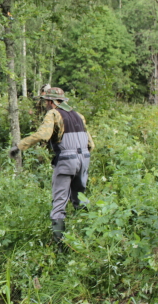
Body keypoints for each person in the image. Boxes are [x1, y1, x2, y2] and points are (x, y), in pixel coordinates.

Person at [9, 87, 94, 248]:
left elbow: (43, 135)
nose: (45, 104)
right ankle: (87, 239)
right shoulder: (79, 116)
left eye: (46, 101)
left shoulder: (53, 114)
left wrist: (19, 146)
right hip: (84, 159)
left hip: (66, 160)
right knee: (80, 200)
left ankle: (59, 248)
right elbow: (91, 144)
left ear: (51, 102)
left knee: (59, 203)